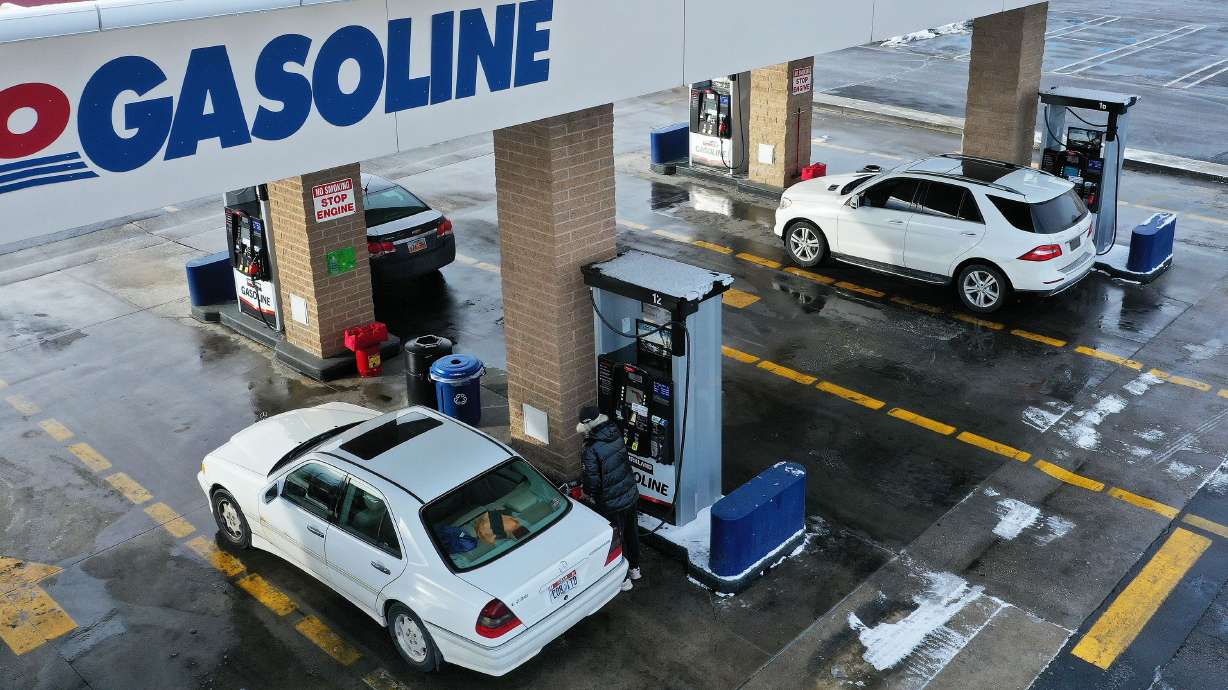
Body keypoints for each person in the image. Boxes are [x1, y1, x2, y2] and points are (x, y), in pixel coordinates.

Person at [577, 405, 641, 591]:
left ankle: (622, 579)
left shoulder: (590, 448)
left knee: (616, 539)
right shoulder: (614, 430)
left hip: (610, 502)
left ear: (586, 425)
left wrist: (587, 493)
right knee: (631, 532)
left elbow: (592, 481)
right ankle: (635, 569)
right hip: (629, 492)